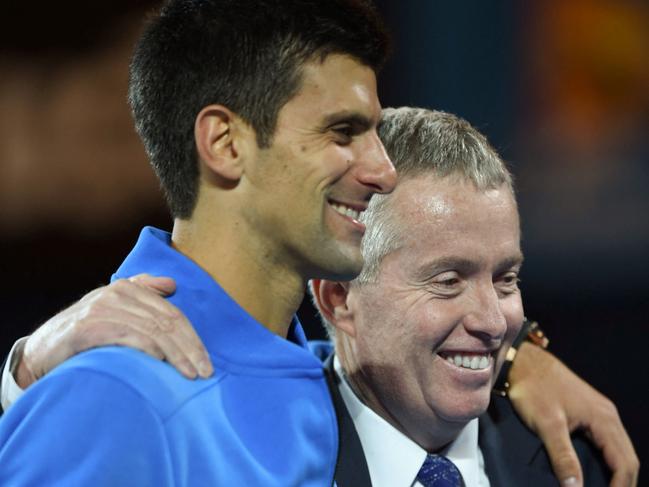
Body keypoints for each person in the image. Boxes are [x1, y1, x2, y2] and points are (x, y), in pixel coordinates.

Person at [0, 0, 397, 485]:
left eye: (375, 132)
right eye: (343, 132)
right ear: (226, 144)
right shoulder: (116, 397)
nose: (384, 172)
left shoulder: (345, 385)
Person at [309, 107, 611, 486]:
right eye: (448, 281)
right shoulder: (261, 460)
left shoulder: (572, 463)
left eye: (506, 279)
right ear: (339, 297)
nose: (494, 323)